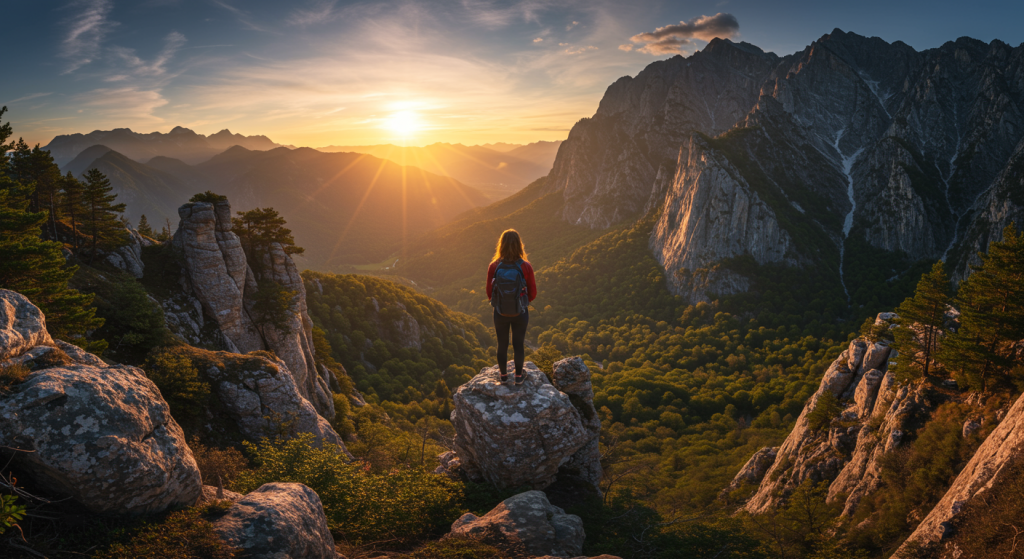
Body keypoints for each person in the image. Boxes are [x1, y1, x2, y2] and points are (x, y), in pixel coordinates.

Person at [486, 229, 537, 384]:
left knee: (502, 344)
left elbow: (489, 292)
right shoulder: (525, 266)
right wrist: (521, 301)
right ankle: (519, 377)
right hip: (520, 312)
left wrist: (501, 303)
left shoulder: (494, 266)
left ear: (501, 245)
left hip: (500, 312)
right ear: (519, 245)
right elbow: (533, 293)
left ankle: (503, 376)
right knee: (518, 344)